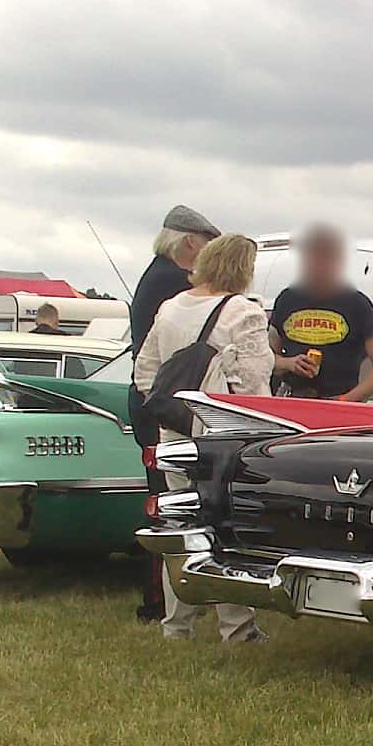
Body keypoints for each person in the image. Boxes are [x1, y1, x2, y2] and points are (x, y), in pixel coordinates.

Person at [134, 233, 273, 643]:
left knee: (182, 526)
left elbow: (146, 371)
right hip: (223, 437)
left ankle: (176, 625)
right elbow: (252, 385)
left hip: (174, 432)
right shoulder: (243, 312)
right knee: (225, 528)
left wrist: (176, 409)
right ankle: (237, 627)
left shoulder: (171, 307)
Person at [126, 204, 220, 622]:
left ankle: (170, 598)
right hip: (169, 405)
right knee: (171, 504)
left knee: (168, 499)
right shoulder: (172, 282)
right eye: (205, 248)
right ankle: (160, 602)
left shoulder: (154, 274)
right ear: (188, 243)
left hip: (153, 401)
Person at [268, 224, 373, 400]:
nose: (319, 264)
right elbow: (266, 357)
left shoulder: (357, 304)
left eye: (326, 257)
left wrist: (346, 400)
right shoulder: (287, 299)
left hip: (337, 401)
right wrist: (289, 363)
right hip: (292, 399)